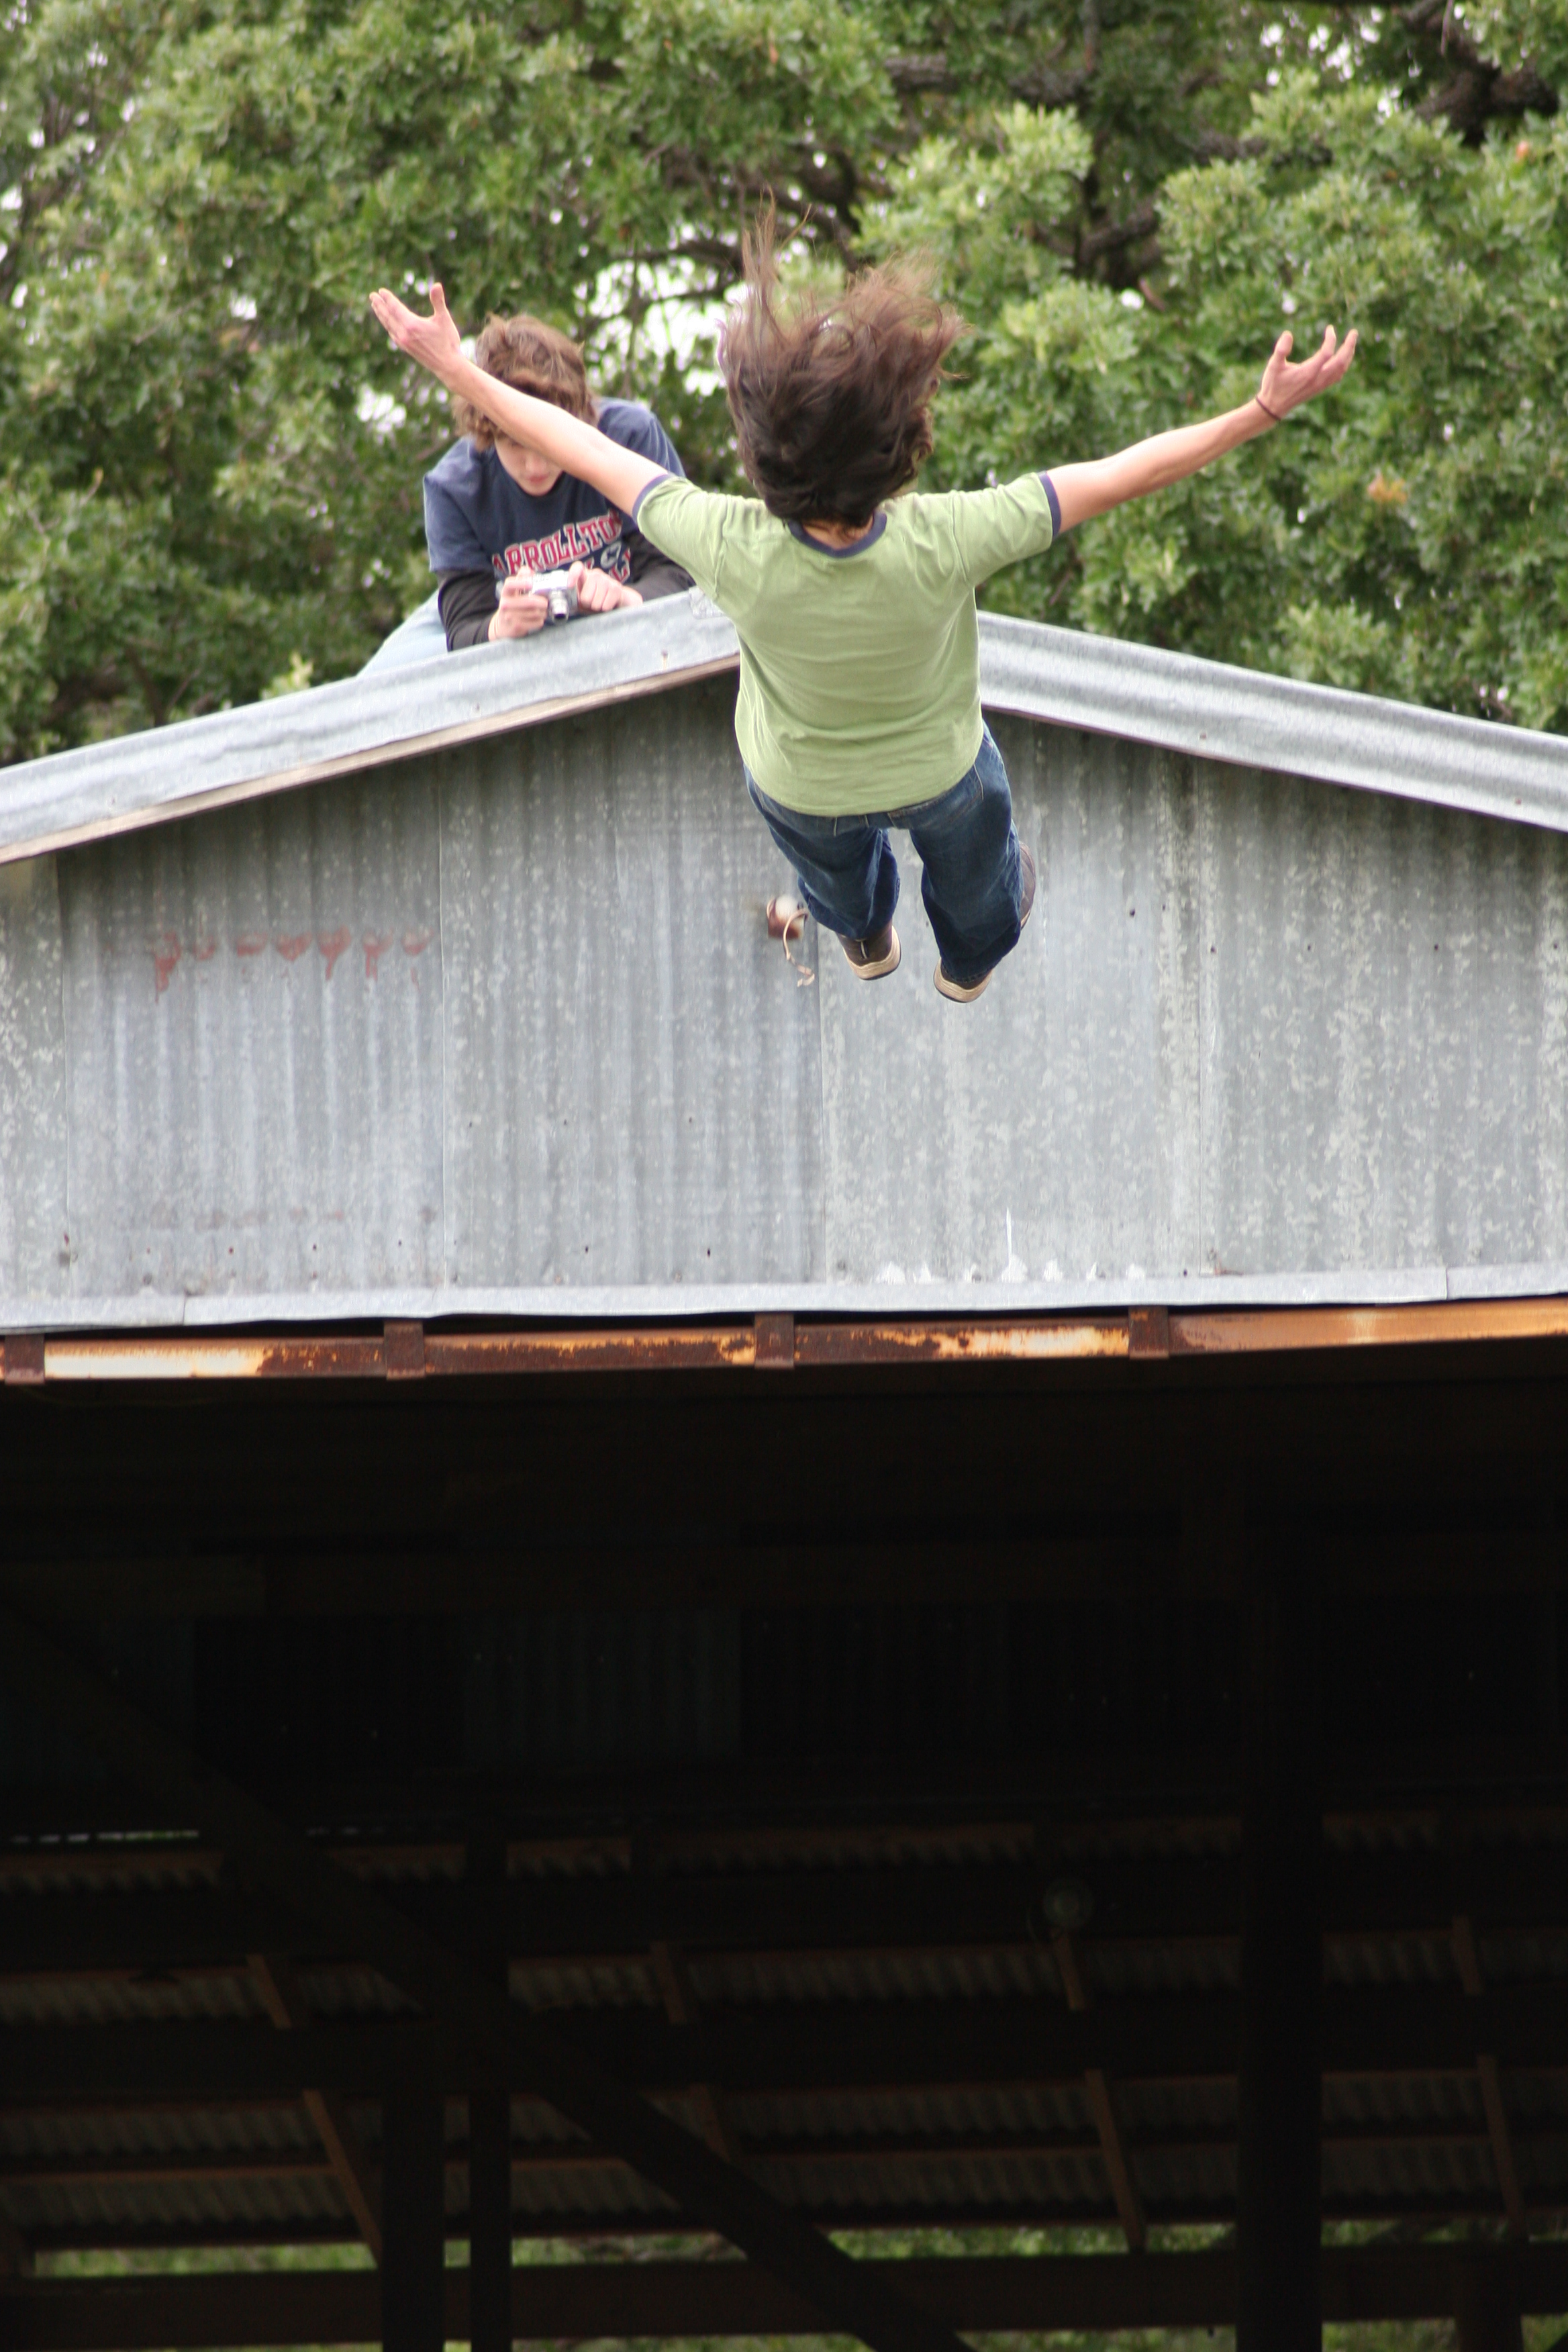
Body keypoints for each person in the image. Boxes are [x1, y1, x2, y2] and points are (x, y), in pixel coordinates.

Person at [373, 231, 1355, 998]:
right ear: (904, 452)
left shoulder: (729, 540)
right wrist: (1257, 414)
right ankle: (968, 956)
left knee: (823, 856)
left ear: (765, 462)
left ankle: (862, 931)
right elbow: (1124, 473)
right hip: (936, 771)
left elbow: (572, 444)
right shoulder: (954, 535)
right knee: (980, 859)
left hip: (801, 781)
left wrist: (458, 368)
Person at [422, 311, 692, 651]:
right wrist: (499, 626)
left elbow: (683, 573)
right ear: (485, 433)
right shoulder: (453, 488)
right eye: (515, 444)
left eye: (548, 444)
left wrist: (626, 598)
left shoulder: (631, 437)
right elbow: (462, 630)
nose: (535, 466)